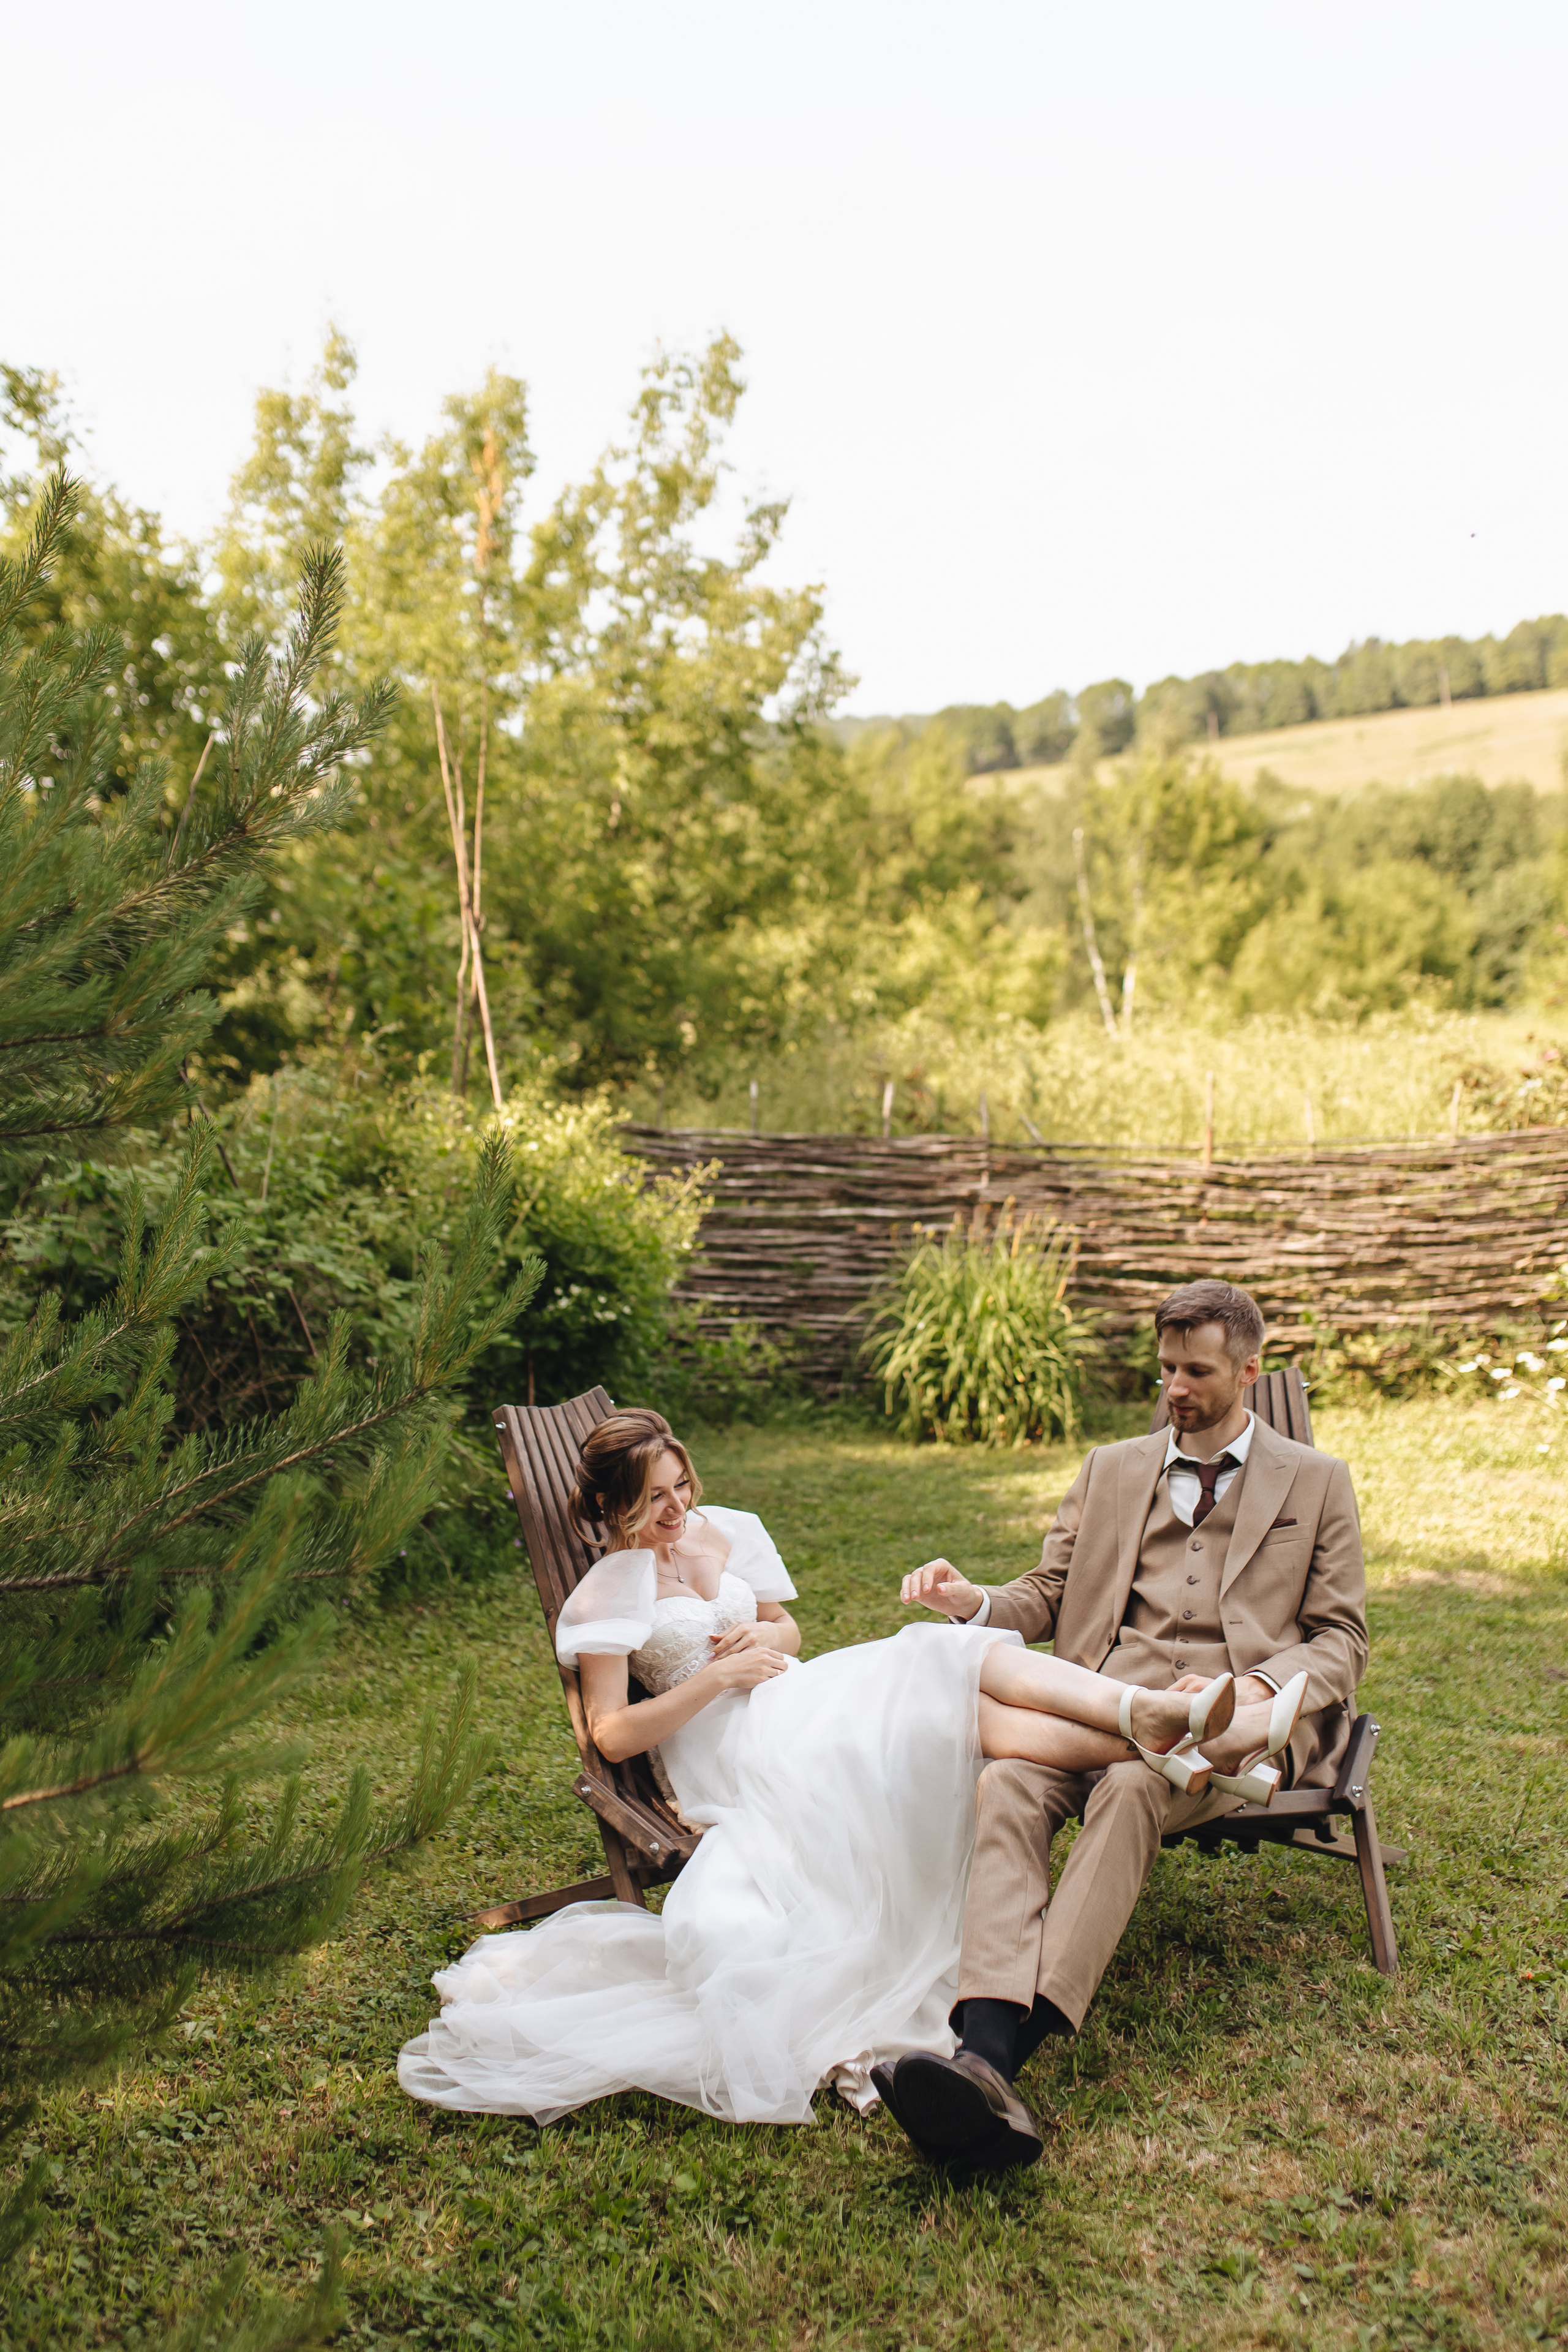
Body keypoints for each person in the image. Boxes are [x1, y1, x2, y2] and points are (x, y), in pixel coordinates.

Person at [398, 1407, 1238, 2139]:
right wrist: (715, 1678)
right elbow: (612, 1735)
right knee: (944, 1670)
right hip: (735, 1752)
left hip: (795, 1700)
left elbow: (789, 1629)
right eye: (655, 1498)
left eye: (682, 1486)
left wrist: (765, 1643)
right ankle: (1149, 1726)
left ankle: (1145, 1726)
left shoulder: (715, 1530)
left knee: (953, 1677)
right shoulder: (609, 1593)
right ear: (612, 1505)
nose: (677, 1509)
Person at [881, 1278, 1367, 2172]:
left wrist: (1261, 1689)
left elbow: (1342, 1639)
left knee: (1142, 1783)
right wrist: (972, 1600)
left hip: (1222, 1729)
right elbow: (1048, 1593)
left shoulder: (1318, 1482)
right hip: (1096, 1704)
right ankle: (988, 2051)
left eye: (1197, 1371)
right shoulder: (1111, 1468)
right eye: (1166, 1369)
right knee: (1010, 1780)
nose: (1176, 1388)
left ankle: (992, 2060)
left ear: (1249, 1372)